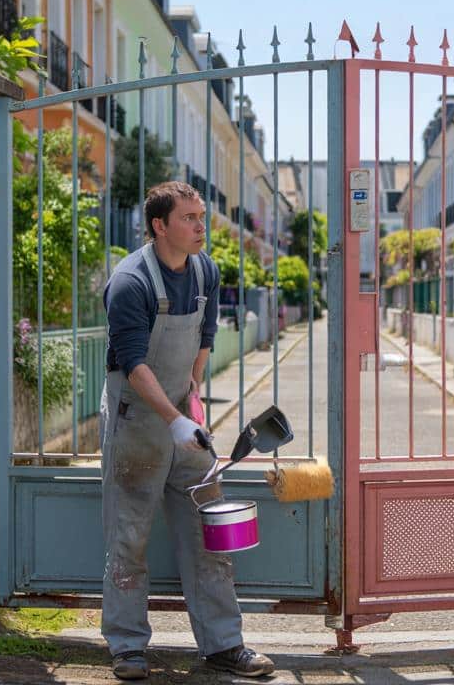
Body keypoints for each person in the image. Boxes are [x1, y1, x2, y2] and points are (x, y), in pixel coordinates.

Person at [99, 181, 275, 680]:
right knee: (129, 535)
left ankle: (223, 644)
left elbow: (205, 335)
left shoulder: (205, 270)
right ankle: (128, 646)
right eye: (190, 218)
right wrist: (172, 420)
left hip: (183, 417)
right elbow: (132, 363)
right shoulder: (130, 282)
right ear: (160, 225)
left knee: (208, 531)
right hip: (137, 418)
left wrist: (191, 400)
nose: (202, 227)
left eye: (203, 217)